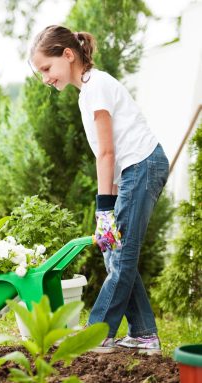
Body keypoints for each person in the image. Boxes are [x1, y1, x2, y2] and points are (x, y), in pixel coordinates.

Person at [28, 25, 169, 354]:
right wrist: (110, 204)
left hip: (143, 166)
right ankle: (144, 335)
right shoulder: (88, 92)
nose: (46, 79)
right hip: (135, 170)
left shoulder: (97, 87)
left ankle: (96, 335)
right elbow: (109, 155)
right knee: (116, 252)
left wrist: (104, 209)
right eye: (41, 73)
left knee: (120, 257)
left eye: (47, 68)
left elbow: (108, 153)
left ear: (67, 54)